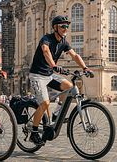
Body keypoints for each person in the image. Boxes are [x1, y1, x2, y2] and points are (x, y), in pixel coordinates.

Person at [28, 15, 91, 145]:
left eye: (67, 26)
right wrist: (54, 65)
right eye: (62, 26)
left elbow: (74, 55)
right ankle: (33, 132)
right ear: (55, 27)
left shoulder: (64, 42)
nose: (65, 28)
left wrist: (85, 68)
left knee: (69, 87)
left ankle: (57, 114)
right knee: (44, 103)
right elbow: (46, 51)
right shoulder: (46, 39)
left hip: (49, 75)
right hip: (37, 75)